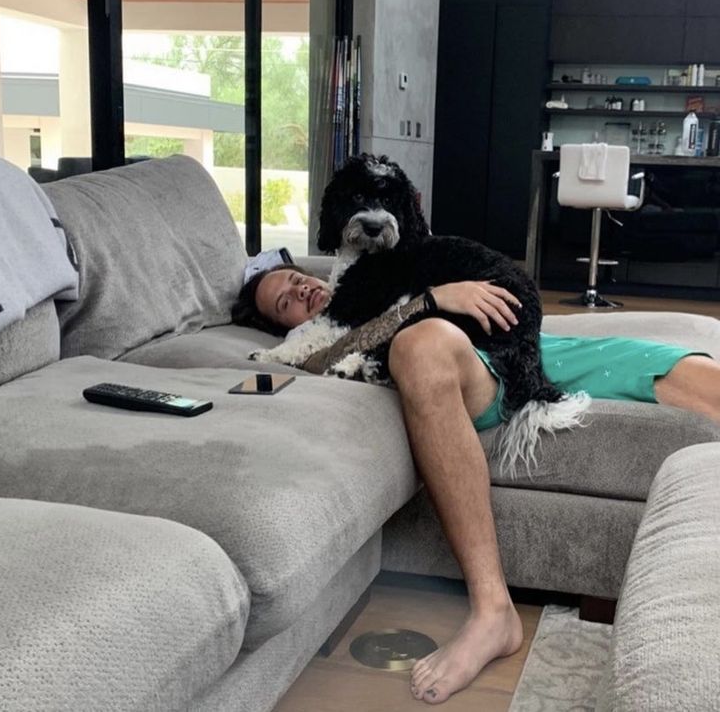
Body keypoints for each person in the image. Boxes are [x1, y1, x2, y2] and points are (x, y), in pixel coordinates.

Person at [232, 264, 720, 705]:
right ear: (287, 328)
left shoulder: (365, 286)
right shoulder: (312, 347)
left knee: (698, 379)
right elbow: (330, 359)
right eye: (286, 302)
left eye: (297, 278)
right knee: (419, 343)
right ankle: (492, 611)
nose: (301, 290)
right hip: (468, 368)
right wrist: (432, 298)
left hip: (528, 352)